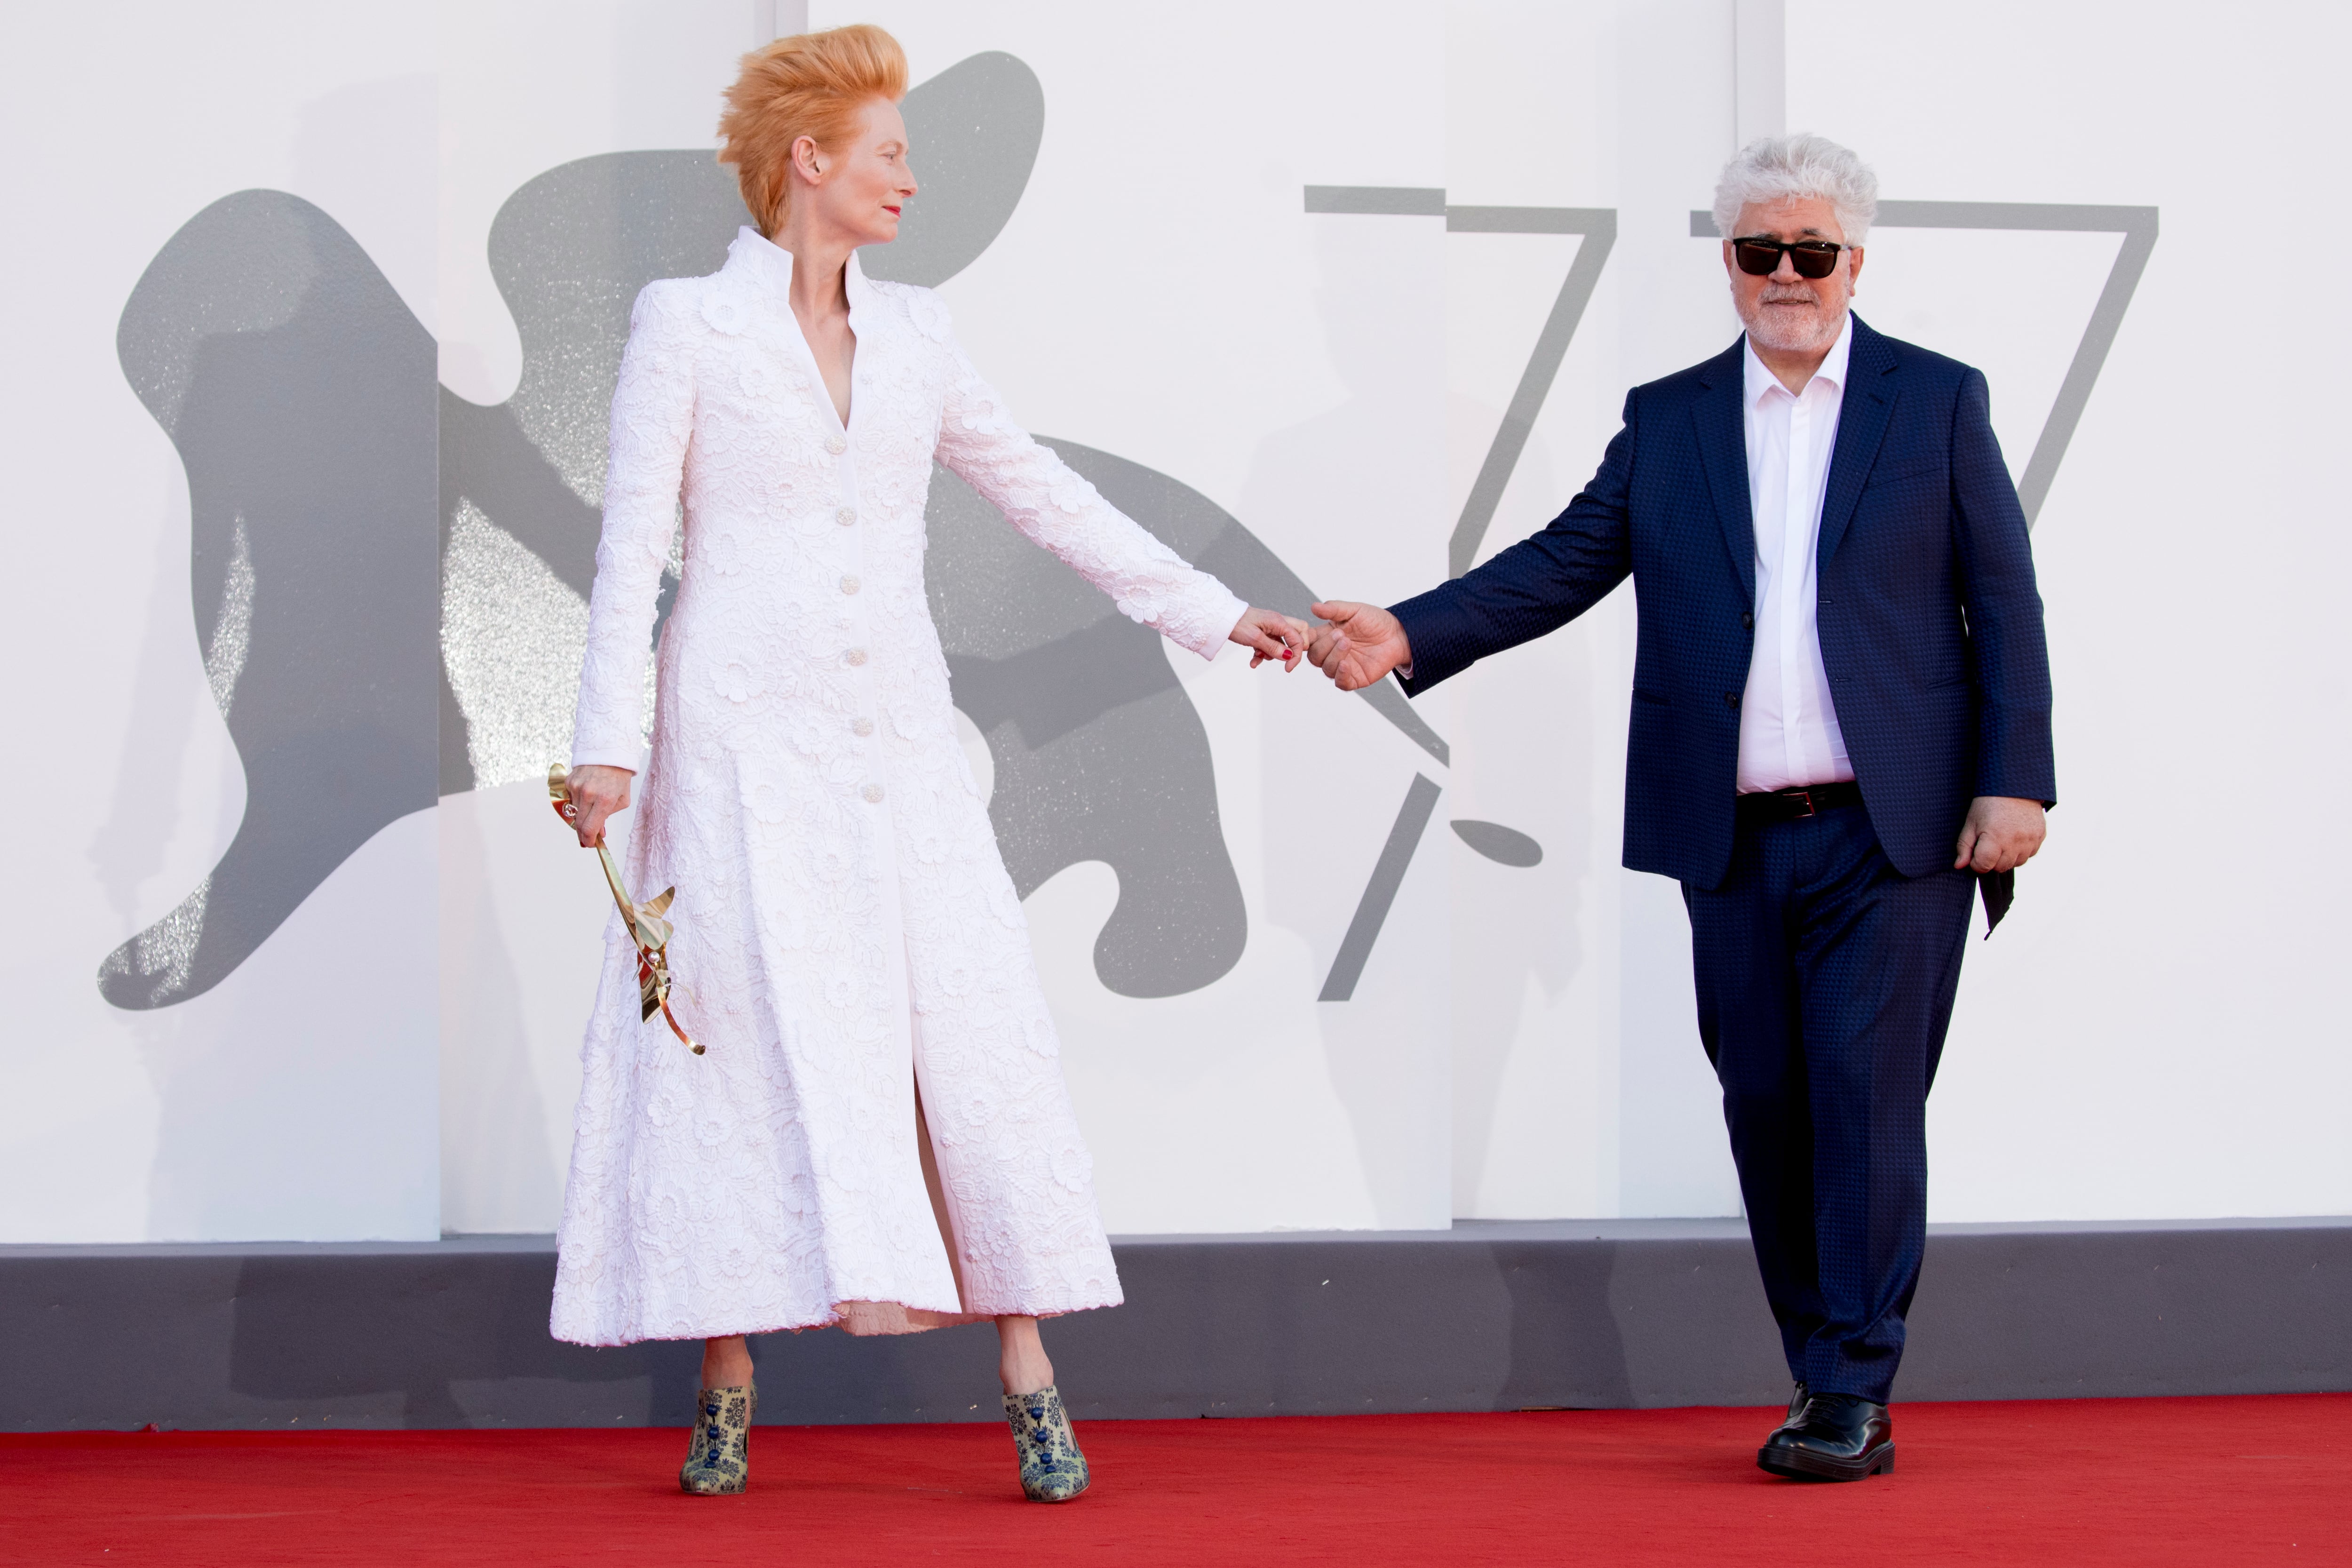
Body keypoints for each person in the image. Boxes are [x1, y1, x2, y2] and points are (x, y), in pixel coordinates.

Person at [551, 24, 1307, 1502]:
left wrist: (1215, 614)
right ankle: (725, 1374)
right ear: (808, 161)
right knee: (736, 1032)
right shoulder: (685, 325)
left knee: (953, 1023)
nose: (910, 176)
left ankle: (1024, 1361)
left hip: (895, 734)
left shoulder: (919, 334)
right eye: (887, 151)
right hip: (733, 735)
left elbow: (1042, 494)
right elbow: (634, 539)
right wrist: (608, 753)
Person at [1306, 133, 2053, 1481]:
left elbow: (2001, 599)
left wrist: (2018, 778)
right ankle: (1817, 1365)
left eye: (1811, 252)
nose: (1787, 274)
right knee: (1766, 1104)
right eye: (1761, 251)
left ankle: (1851, 1389)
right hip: (1736, 838)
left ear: (1854, 263)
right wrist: (1406, 634)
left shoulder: (1935, 403)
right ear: (1729, 265)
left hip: (1900, 838)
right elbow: (1562, 564)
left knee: (1866, 1105)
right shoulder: (1671, 419)